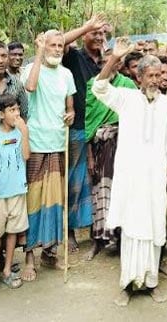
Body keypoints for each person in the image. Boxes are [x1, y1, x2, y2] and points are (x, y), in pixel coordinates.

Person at [92, 39, 167, 306]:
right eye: (150, 76)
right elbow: (99, 87)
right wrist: (114, 57)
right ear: (138, 77)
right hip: (130, 176)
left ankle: (151, 283)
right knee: (131, 229)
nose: (155, 80)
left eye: (158, 75)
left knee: (154, 228)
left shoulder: (166, 104)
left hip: (155, 178)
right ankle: (128, 284)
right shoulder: (126, 98)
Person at [21, 30, 76, 280]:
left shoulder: (66, 74)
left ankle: (50, 252)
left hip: (58, 143)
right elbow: (30, 87)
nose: (56, 49)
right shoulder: (32, 68)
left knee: (55, 201)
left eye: (59, 46)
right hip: (35, 144)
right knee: (33, 201)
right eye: (52, 45)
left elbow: (70, 107)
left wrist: (70, 115)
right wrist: (39, 52)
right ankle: (29, 257)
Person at [62, 15, 110, 252]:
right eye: (94, 33)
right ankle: (70, 231)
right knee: (75, 180)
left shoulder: (106, 62)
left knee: (97, 180)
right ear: (84, 36)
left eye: (102, 33)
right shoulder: (73, 57)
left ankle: (96, 230)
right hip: (77, 128)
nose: (99, 37)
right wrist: (85, 27)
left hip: (102, 130)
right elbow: (58, 42)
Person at [84, 49, 137, 261]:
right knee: (99, 191)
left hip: (123, 146)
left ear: (120, 64)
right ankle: (98, 240)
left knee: (122, 192)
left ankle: (119, 239)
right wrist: (89, 155)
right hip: (99, 147)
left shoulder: (129, 85)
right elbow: (90, 122)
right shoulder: (93, 85)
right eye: (105, 61)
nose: (110, 64)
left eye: (114, 61)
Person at [0, 95, 30, 291]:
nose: (17, 114)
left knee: (13, 231)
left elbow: (26, 156)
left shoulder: (21, 133)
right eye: (12, 111)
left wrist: (25, 132)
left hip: (18, 190)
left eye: (18, 110)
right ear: (1, 114)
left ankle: (7, 269)